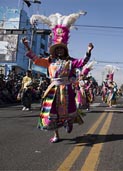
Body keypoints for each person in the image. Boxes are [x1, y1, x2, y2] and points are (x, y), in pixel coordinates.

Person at [22, 11, 94, 143]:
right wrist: (27, 46)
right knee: (52, 112)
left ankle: (69, 122)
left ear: (65, 50)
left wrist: (88, 52)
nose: (59, 51)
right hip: (53, 90)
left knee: (69, 109)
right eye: (57, 49)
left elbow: (82, 62)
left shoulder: (70, 61)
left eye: (61, 49)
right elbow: (36, 60)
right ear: (54, 50)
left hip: (66, 89)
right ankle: (56, 134)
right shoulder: (50, 61)